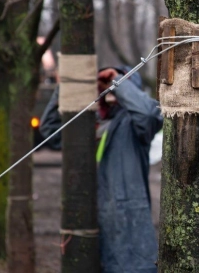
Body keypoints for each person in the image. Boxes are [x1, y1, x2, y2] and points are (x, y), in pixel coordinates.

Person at [40, 66, 162, 273]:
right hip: (89, 231)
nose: (107, 92)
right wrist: (67, 88)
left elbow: (150, 114)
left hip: (128, 238)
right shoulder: (89, 124)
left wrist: (117, 81)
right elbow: (50, 130)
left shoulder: (134, 126)